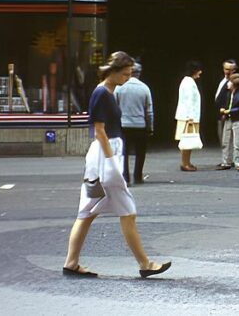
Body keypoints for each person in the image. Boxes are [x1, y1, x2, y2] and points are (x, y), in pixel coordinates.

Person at [62, 51, 171, 279]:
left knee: (88, 212)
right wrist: (112, 162)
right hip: (106, 154)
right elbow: (100, 130)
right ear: (113, 71)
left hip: (101, 156)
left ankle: (71, 262)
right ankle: (145, 263)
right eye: (125, 74)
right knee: (127, 210)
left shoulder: (107, 91)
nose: (127, 78)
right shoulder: (103, 93)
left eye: (130, 74)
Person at [114, 60, 153, 185]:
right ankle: (138, 176)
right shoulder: (145, 88)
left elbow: (114, 106)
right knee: (140, 152)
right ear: (139, 73)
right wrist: (150, 126)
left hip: (123, 124)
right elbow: (149, 111)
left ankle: (125, 176)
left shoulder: (119, 88)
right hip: (140, 125)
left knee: (123, 152)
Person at [216, 73, 239, 171]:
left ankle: (238, 162)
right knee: (226, 141)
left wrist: (230, 111)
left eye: (230, 82)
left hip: (238, 119)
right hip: (228, 119)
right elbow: (227, 104)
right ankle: (226, 161)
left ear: (234, 84)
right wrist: (224, 110)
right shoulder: (229, 94)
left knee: (237, 143)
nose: (228, 83)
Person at [175, 60, 203, 172]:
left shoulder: (188, 81)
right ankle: (185, 163)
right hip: (188, 116)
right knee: (187, 141)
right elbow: (188, 101)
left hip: (188, 116)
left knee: (187, 141)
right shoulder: (188, 82)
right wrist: (189, 116)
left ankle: (187, 162)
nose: (200, 72)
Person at [215, 59, 238, 146]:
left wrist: (227, 111)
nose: (227, 72)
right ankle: (226, 158)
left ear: (234, 70)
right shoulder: (222, 80)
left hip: (228, 114)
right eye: (226, 69)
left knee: (229, 139)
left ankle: (230, 158)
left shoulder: (236, 82)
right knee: (222, 138)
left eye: (230, 69)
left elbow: (235, 99)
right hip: (219, 113)